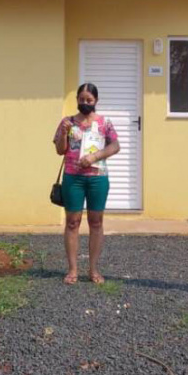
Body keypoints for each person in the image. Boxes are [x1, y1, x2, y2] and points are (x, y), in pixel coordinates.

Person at [52, 83, 120, 284]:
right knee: (72, 222)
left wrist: (94, 157)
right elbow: (59, 150)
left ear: (96, 101)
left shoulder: (104, 123)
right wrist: (63, 133)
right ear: (77, 101)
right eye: (81, 99)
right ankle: (72, 270)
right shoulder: (68, 122)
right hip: (73, 178)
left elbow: (115, 145)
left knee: (96, 222)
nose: (85, 103)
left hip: (97, 178)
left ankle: (93, 270)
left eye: (89, 100)